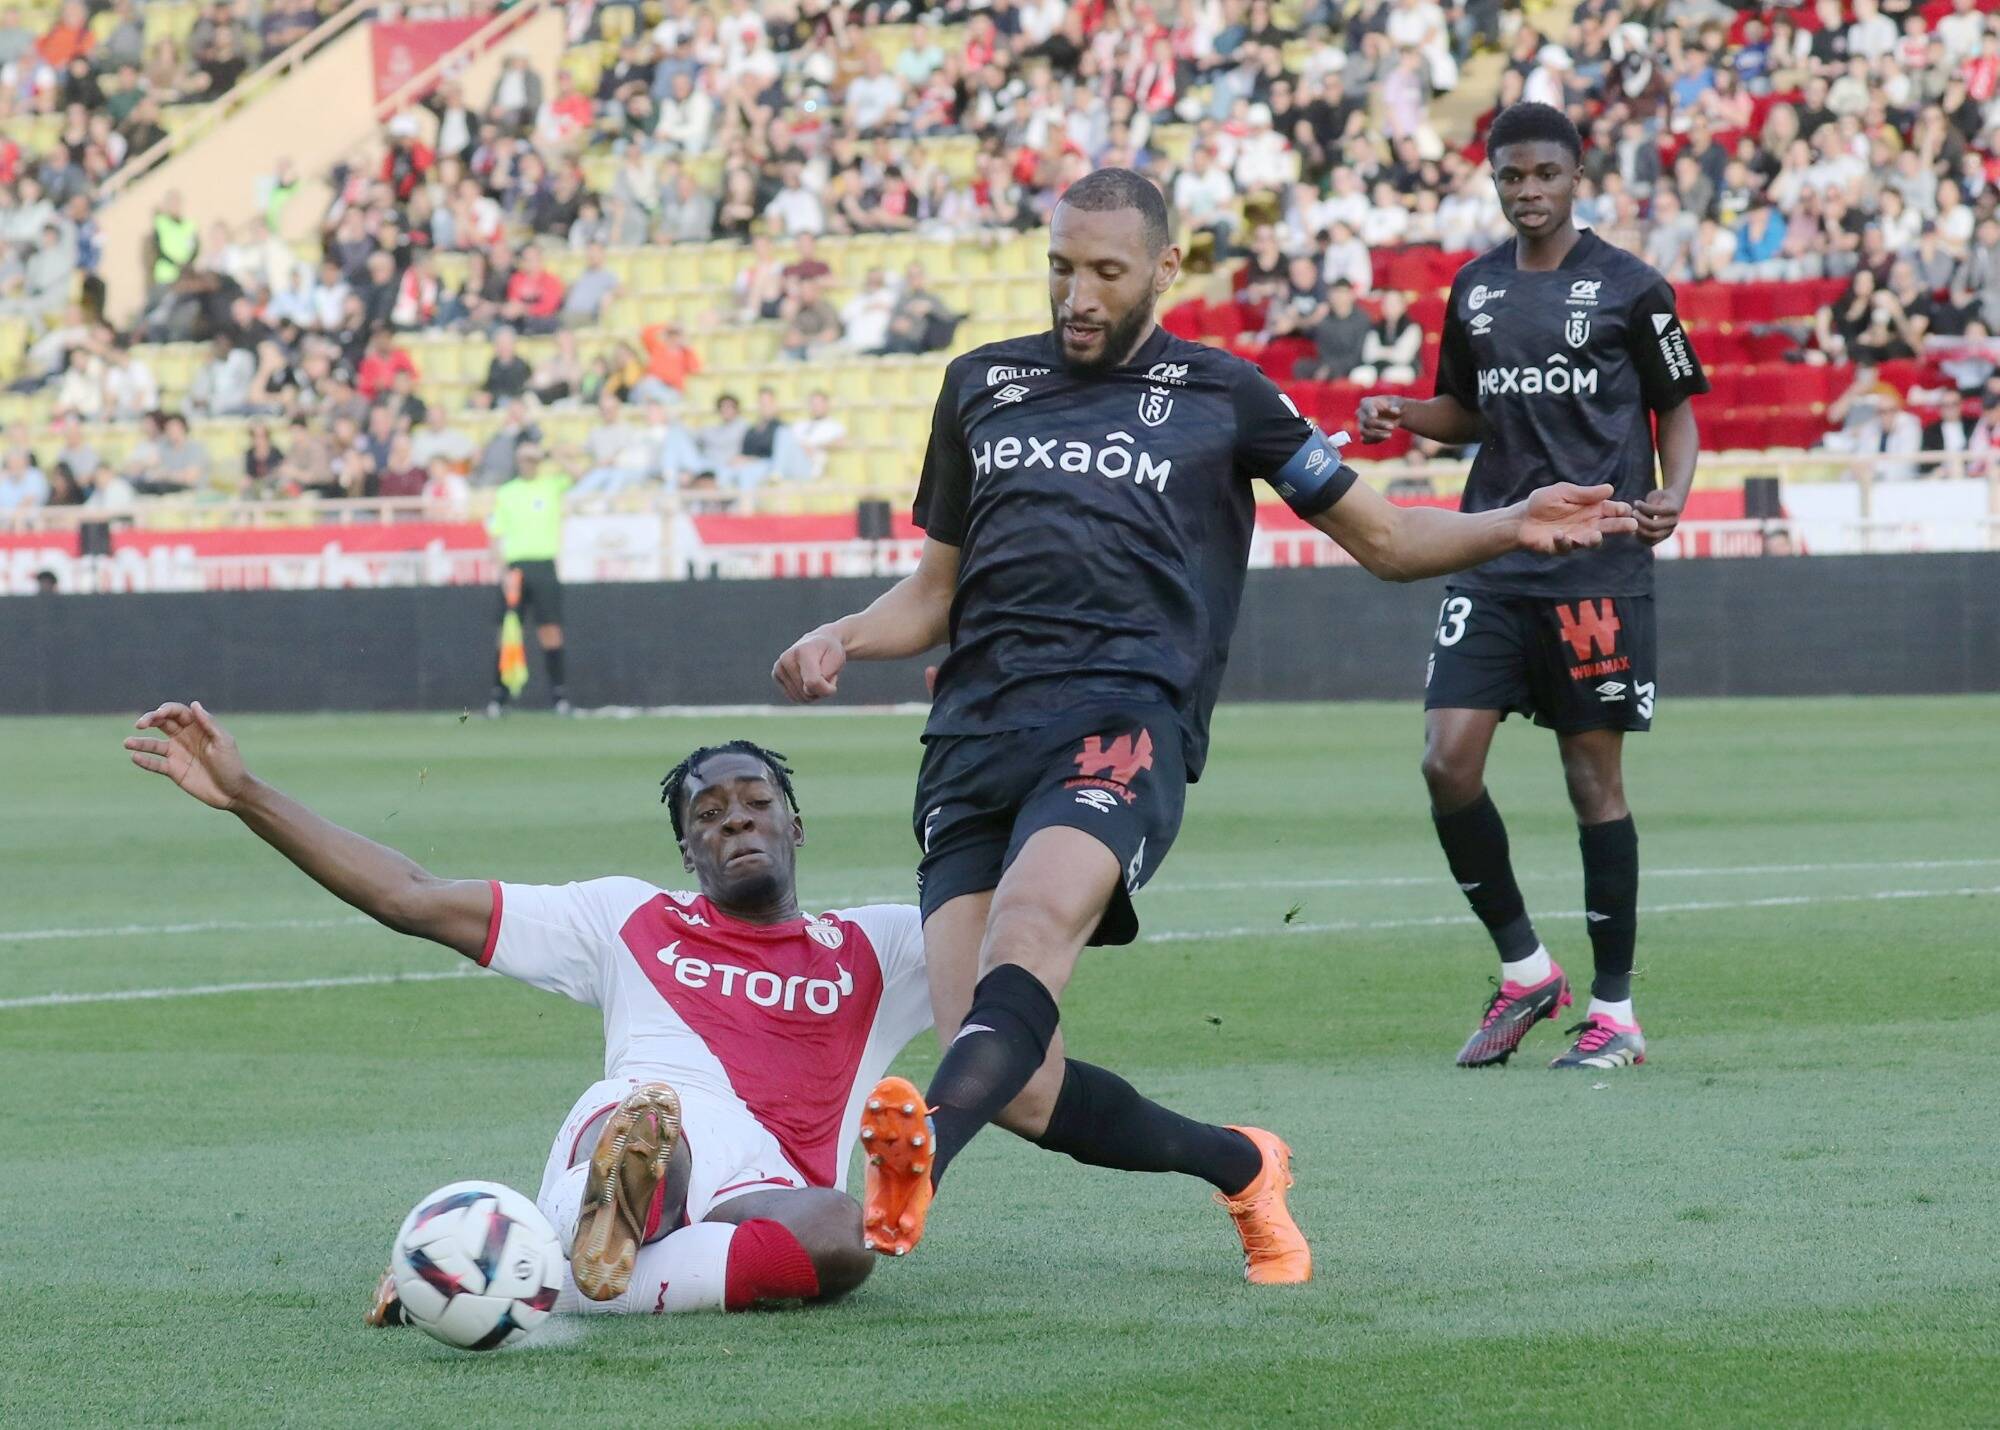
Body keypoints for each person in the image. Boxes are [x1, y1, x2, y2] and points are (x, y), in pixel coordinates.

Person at [771, 167, 1635, 1267]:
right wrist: (842, 635)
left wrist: (1511, 519)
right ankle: (1241, 1164)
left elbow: (1386, 542)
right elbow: (934, 593)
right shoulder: (979, 384)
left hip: (1123, 720)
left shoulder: (1223, 394)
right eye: (1059, 267)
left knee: (1030, 933)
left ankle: (922, 1152)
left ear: (1163, 269)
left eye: (1103, 272)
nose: (1075, 294)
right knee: (1021, 1085)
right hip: (971, 738)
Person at [120, 712, 921, 1319]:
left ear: (796, 825)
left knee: (844, 1239)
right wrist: (246, 796)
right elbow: (413, 897)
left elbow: (1023, 939)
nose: (736, 819)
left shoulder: (882, 943)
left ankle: (491, 1265)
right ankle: (576, 1225)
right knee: (658, 1152)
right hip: (649, 1116)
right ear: (686, 852)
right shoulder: (627, 917)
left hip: (769, 1184)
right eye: (708, 815)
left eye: (756, 802)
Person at [1356, 102, 1709, 1073]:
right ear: (1493, 178)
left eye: (1543, 174)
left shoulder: (1632, 289)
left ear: (1574, 174)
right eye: (1509, 176)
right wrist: (1404, 415)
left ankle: (1615, 1011)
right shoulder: (1471, 290)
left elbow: (1676, 406)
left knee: (1589, 780)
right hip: (1492, 553)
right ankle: (1524, 971)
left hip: (1593, 562)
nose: (1526, 191)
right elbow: (1468, 411)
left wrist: (1669, 493)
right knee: (1444, 761)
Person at [485, 442, 572, 717]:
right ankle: (500, 696)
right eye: (524, 458)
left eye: (533, 458)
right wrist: (502, 571)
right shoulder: (507, 492)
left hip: (544, 564)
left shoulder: (550, 486)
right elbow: (495, 533)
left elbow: (579, 474)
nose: (528, 463)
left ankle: (558, 695)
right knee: (509, 632)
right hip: (517, 567)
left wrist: (555, 454)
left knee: (550, 630)